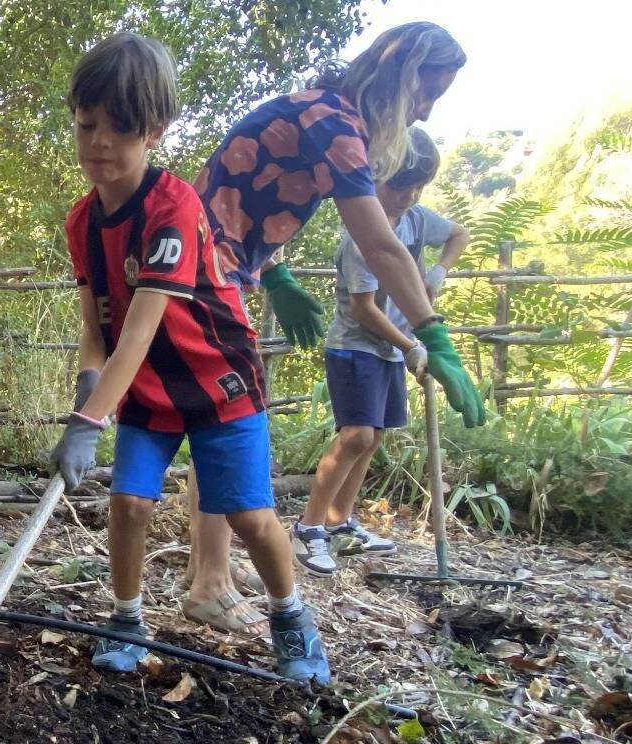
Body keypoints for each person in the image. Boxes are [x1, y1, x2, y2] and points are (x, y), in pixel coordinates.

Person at [46, 33, 330, 685]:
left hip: (218, 384)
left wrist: (89, 423)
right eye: (87, 125)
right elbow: (100, 331)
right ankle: (125, 619)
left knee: (248, 515)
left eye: (119, 129)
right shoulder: (81, 223)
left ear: (156, 130)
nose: (98, 144)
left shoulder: (173, 206)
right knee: (129, 504)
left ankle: (290, 616)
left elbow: (142, 329)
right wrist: (87, 389)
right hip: (145, 391)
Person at [182, 22, 486, 619]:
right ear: (400, 75)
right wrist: (433, 334)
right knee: (228, 421)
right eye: (427, 94)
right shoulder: (336, 125)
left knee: (218, 416)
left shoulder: (319, 111)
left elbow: (245, 189)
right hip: (200, 271)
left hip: (218, 265)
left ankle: (206, 563)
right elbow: (379, 243)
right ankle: (208, 585)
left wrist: (271, 273)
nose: (423, 111)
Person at [295, 127, 468, 574]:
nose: (408, 196)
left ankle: (340, 523)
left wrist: (437, 273)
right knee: (356, 434)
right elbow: (365, 309)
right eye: (400, 185)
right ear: (375, 178)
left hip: (392, 351)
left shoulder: (415, 221)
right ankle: (308, 527)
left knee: (375, 438)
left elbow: (459, 235)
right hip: (356, 346)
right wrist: (412, 344)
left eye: (418, 187)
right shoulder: (359, 237)